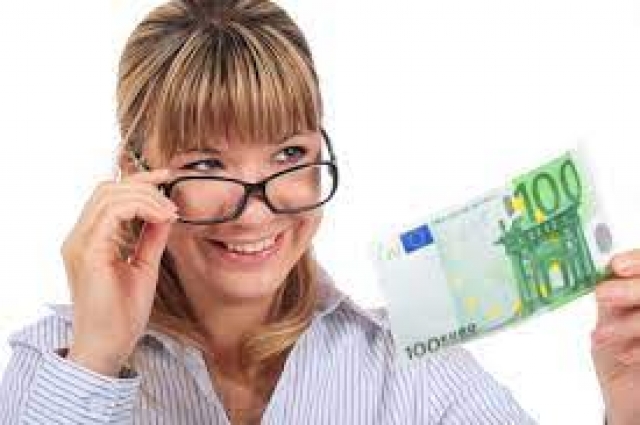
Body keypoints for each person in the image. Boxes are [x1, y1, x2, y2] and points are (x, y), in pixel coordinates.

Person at [0, 0, 638, 423]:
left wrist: (628, 408)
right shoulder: (54, 365)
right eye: (207, 163)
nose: (256, 213)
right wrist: (97, 357)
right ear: (136, 174)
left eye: (288, 153)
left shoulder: (407, 372)